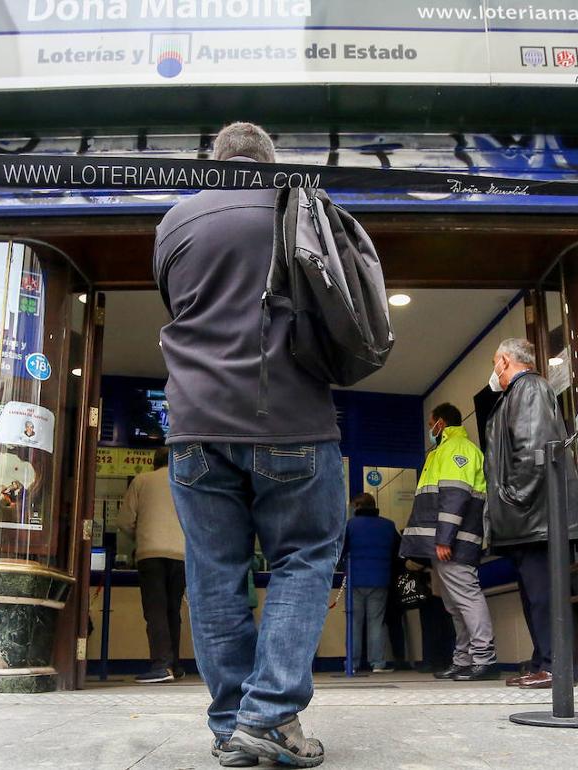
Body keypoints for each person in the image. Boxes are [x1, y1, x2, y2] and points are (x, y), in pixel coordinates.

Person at [154, 122, 349, 767]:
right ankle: (267, 718)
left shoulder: (174, 223)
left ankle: (231, 726)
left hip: (195, 425)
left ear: (214, 163)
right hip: (290, 418)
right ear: (270, 162)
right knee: (303, 556)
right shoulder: (298, 205)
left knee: (214, 575)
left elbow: (178, 305)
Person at [484, 338, 578, 691]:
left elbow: (532, 451)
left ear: (504, 362)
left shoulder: (527, 388)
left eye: (495, 363)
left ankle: (554, 666)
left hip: (535, 517)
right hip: (531, 519)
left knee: (543, 595)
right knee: (536, 595)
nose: (494, 371)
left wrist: (511, 500)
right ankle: (544, 661)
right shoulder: (517, 393)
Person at [400, 402, 499, 682]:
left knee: (466, 597)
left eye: (431, 423)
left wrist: (444, 538)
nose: (429, 429)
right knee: (455, 604)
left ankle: (484, 658)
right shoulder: (443, 450)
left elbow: (455, 496)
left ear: (440, 423)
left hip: (453, 542)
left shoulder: (458, 449)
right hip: (445, 542)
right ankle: (464, 659)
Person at [121, 449, 187, 684]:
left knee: (156, 609)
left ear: (153, 462)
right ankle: (175, 664)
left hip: (151, 554)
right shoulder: (185, 481)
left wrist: (139, 537)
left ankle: (161, 665)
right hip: (182, 555)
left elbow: (125, 521)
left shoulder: (142, 480)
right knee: (172, 609)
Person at [341, 493, 400, 673]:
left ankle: (352, 664)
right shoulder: (388, 525)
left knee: (354, 623)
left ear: (357, 506)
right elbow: (398, 551)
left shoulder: (349, 525)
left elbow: (340, 550)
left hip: (355, 580)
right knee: (376, 623)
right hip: (380, 580)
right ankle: (377, 664)